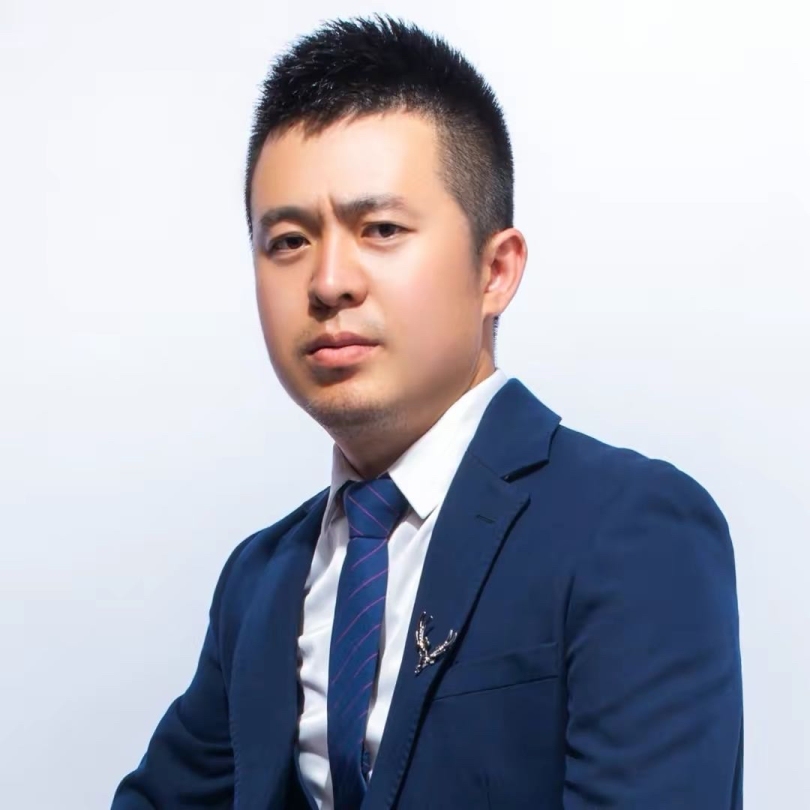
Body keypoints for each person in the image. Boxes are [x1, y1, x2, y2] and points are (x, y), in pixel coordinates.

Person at [111, 14, 743, 810]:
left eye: (380, 229)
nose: (329, 282)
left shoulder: (632, 529)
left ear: (495, 270)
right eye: (288, 241)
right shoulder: (260, 580)